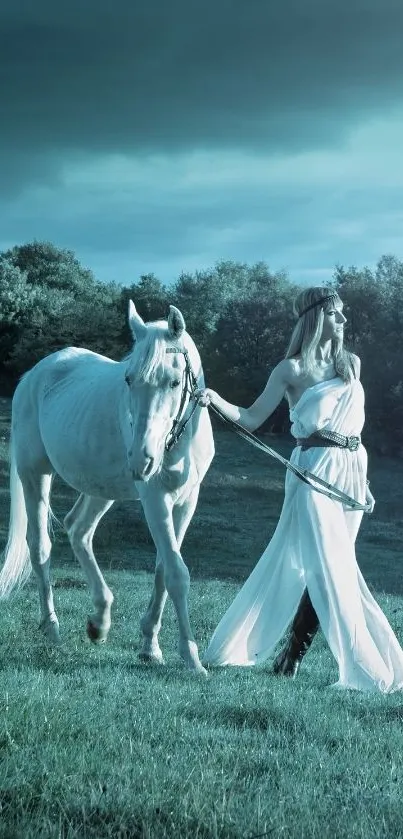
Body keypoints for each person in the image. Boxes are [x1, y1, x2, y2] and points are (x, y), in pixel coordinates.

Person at [196, 286, 403, 693]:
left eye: (343, 314)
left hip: (349, 473)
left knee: (333, 564)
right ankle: (353, 669)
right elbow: (252, 418)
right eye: (336, 313)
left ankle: (290, 659)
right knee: (326, 565)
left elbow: (353, 432)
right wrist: (215, 397)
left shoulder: (351, 364)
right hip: (312, 471)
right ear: (315, 317)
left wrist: (364, 483)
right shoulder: (289, 370)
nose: (344, 321)